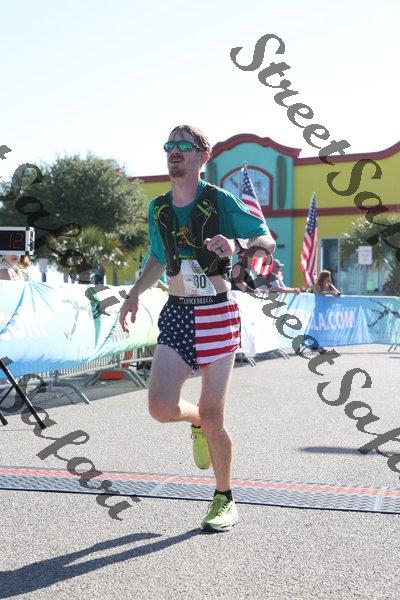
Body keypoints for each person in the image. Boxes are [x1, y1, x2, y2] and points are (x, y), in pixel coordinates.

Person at [119, 125, 275, 532]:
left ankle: (224, 497)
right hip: (177, 312)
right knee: (160, 408)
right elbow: (157, 257)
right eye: (169, 145)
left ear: (203, 156)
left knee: (214, 414)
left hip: (216, 313)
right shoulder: (158, 209)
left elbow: (266, 240)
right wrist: (134, 294)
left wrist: (237, 246)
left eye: (183, 146)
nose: (174, 151)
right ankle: (195, 422)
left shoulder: (219, 201)